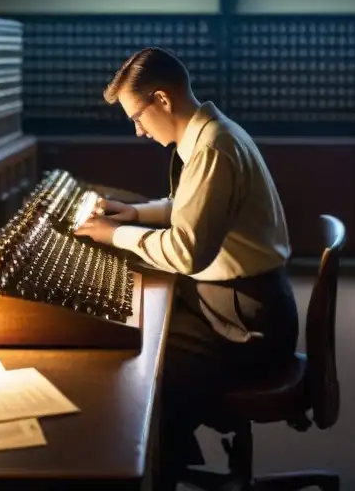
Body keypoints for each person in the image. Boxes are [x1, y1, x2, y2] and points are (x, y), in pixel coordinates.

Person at [74, 46, 298, 489]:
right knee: (146, 339)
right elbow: (193, 209)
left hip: (248, 324)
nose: (137, 131)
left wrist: (113, 235)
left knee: (143, 371)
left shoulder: (214, 148)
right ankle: (168, 462)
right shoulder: (214, 135)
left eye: (137, 116)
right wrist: (136, 215)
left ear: (161, 99)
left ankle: (160, 470)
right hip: (242, 302)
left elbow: (187, 251)